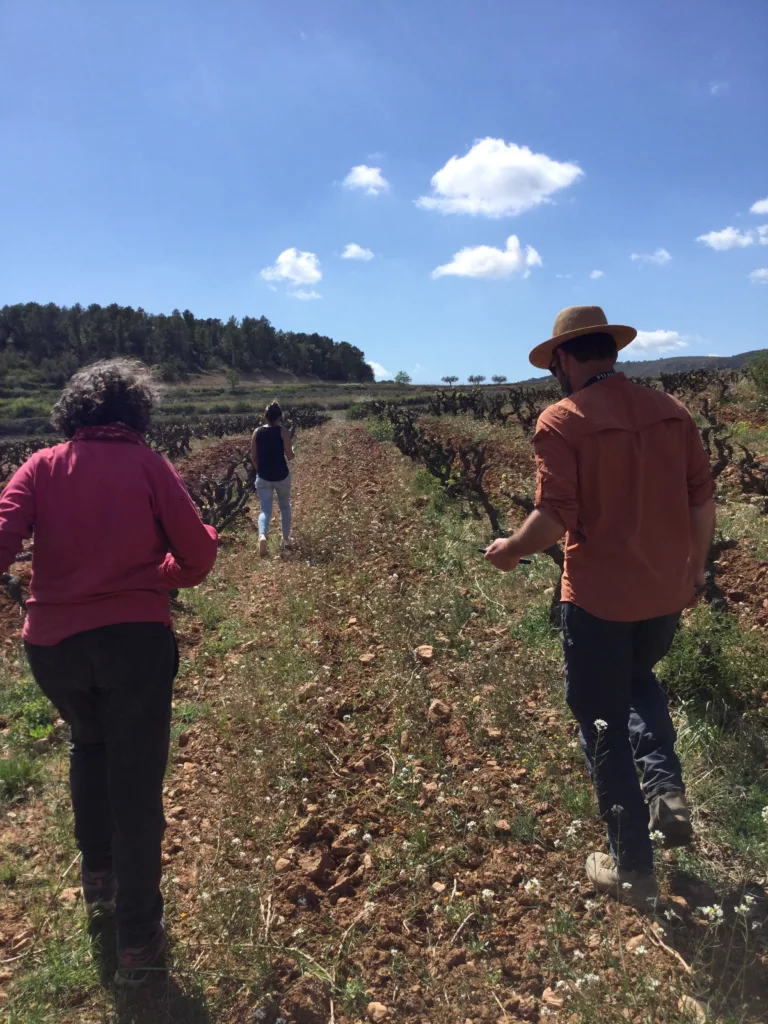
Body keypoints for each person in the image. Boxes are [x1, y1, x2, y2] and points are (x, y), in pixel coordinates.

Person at [485, 306, 715, 904]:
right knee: (638, 680)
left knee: (603, 723)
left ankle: (632, 868)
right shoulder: (672, 411)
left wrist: (510, 550)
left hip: (600, 600)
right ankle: (667, 788)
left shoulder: (562, 420)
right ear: (609, 351)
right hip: (665, 592)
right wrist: (694, 566)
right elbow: (700, 498)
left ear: (563, 358)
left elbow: (556, 514)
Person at [0, 359, 218, 985]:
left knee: (87, 745)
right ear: (136, 412)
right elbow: (197, 555)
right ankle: (138, 937)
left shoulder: (40, 466)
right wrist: (161, 574)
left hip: (55, 649)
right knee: (136, 783)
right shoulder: (149, 465)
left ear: (74, 412)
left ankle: (98, 876)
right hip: (134, 645)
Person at [251, 401, 295, 556]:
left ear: (266, 416)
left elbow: (254, 457)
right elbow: (289, 456)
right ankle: (286, 539)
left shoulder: (257, 432)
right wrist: (292, 451)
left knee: (265, 510)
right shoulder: (283, 432)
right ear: (280, 417)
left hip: (263, 477)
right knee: (284, 506)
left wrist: (261, 471)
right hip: (281, 475)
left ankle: (262, 535)